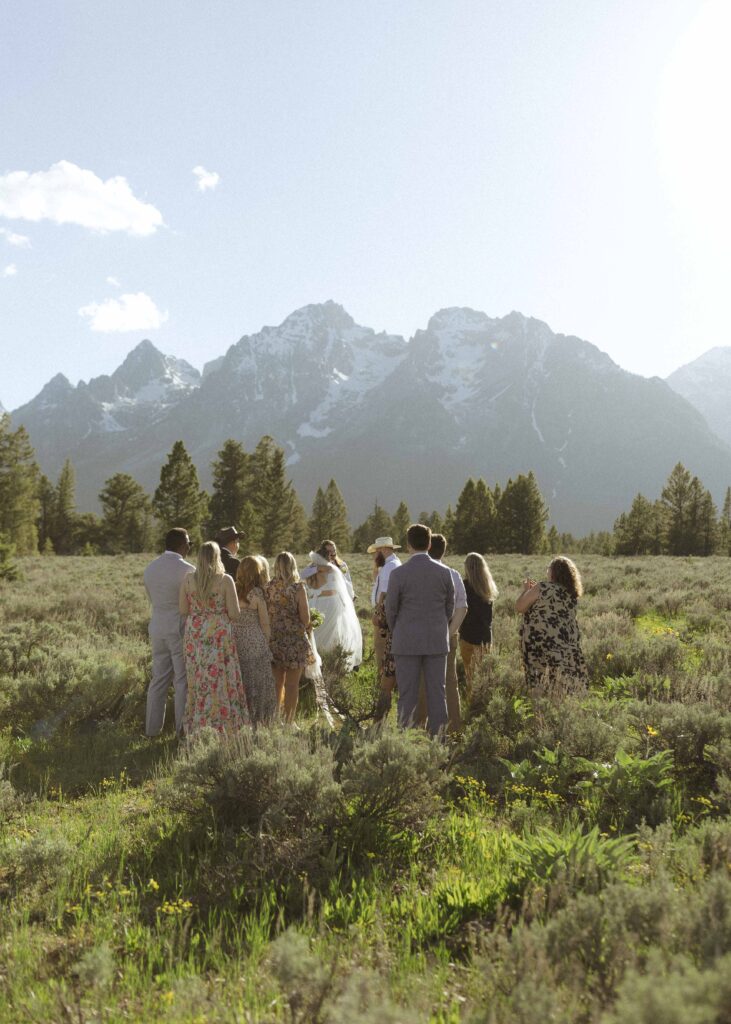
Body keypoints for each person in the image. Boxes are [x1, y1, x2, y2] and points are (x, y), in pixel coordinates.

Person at [385, 524, 455, 736]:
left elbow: (391, 609)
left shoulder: (398, 574)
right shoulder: (445, 573)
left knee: (407, 695)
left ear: (408, 545)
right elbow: (449, 608)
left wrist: (399, 630)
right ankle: (439, 743)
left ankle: (406, 743)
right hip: (436, 641)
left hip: (406, 642)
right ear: (430, 543)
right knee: (437, 694)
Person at [179, 541, 250, 735]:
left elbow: (183, 610)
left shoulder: (187, 579)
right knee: (222, 680)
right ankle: (225, 727)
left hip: (194, 634)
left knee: (198, 680)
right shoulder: (225, 580)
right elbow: (235, 614)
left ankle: (198, 727)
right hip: (219, 634)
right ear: (217, 557)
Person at [143, 527, 195, 737]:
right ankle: (180, 730)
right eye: (189, 544)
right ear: (182, 544)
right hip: (178, 627)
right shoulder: (188, 569)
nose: (190, 547)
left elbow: (151, 598)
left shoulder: (150, 568)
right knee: (181, 680)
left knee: (158, 680)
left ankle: (151, 730)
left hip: (157, 626)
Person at [415, 533, 468, 733]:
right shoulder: (453, 574)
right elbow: (462, 608)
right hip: (447, 634)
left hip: (422, 635)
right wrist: (448, 633)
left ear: (427, 547)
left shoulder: (417, 573)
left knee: (421, 683)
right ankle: (453, 730)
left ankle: (418, 730)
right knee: (449, 684)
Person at [516, 555, 588, 692]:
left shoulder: (542, 587)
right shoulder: (572, 594)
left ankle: (541, 712)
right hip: (565, 645)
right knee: (562, 685)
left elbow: (519, 607)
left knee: (540, 684)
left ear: (554, 571)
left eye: (548, 568)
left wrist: (526, 590)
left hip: (541, 645)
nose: (547, 571)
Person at [265, 552, 315, 722]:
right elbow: (305, 618)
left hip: (275, 640)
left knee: (276, 684)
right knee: (292, 685)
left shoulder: (268, 587)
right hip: (294, 641)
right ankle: (289, 721)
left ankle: (273, 718)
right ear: (293, 566)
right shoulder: (298, 587)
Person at [233, 556, 277, 726]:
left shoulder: (233, 590)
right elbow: (265, 623)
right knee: (259, 683)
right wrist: (267, 643)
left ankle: (241, 719)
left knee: (241, 680)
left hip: (236, 640)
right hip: (255, 640)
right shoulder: (257, 593)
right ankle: (260, 719)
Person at [306, 543, 363, 670]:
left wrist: (350, 598)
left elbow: (347, 585)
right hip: (318, 603)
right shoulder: (314, 568)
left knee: (335, 632)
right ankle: (319, 661)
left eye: (334, 551)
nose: (333, 554)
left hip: (335, 603)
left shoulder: (341, 566)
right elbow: (304, 578)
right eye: (329, 552)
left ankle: (334, 663)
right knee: (318, 632)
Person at [368, 536, 401, 716]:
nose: (374, 556)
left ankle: (381, 712)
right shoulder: (388, 566)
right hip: (385, 619)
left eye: (376, 552)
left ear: (384, 550)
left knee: (383, 663)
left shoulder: (390, 567)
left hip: (384, 621)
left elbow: (386, 595)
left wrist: (379, 616)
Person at [459, 553, 499, 689]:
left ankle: (473, 705)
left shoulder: (463, 586)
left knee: (470, 676)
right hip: (485, 638)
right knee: (484, 676)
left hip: (467, 637)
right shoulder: (488, 587)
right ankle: (483, 703)